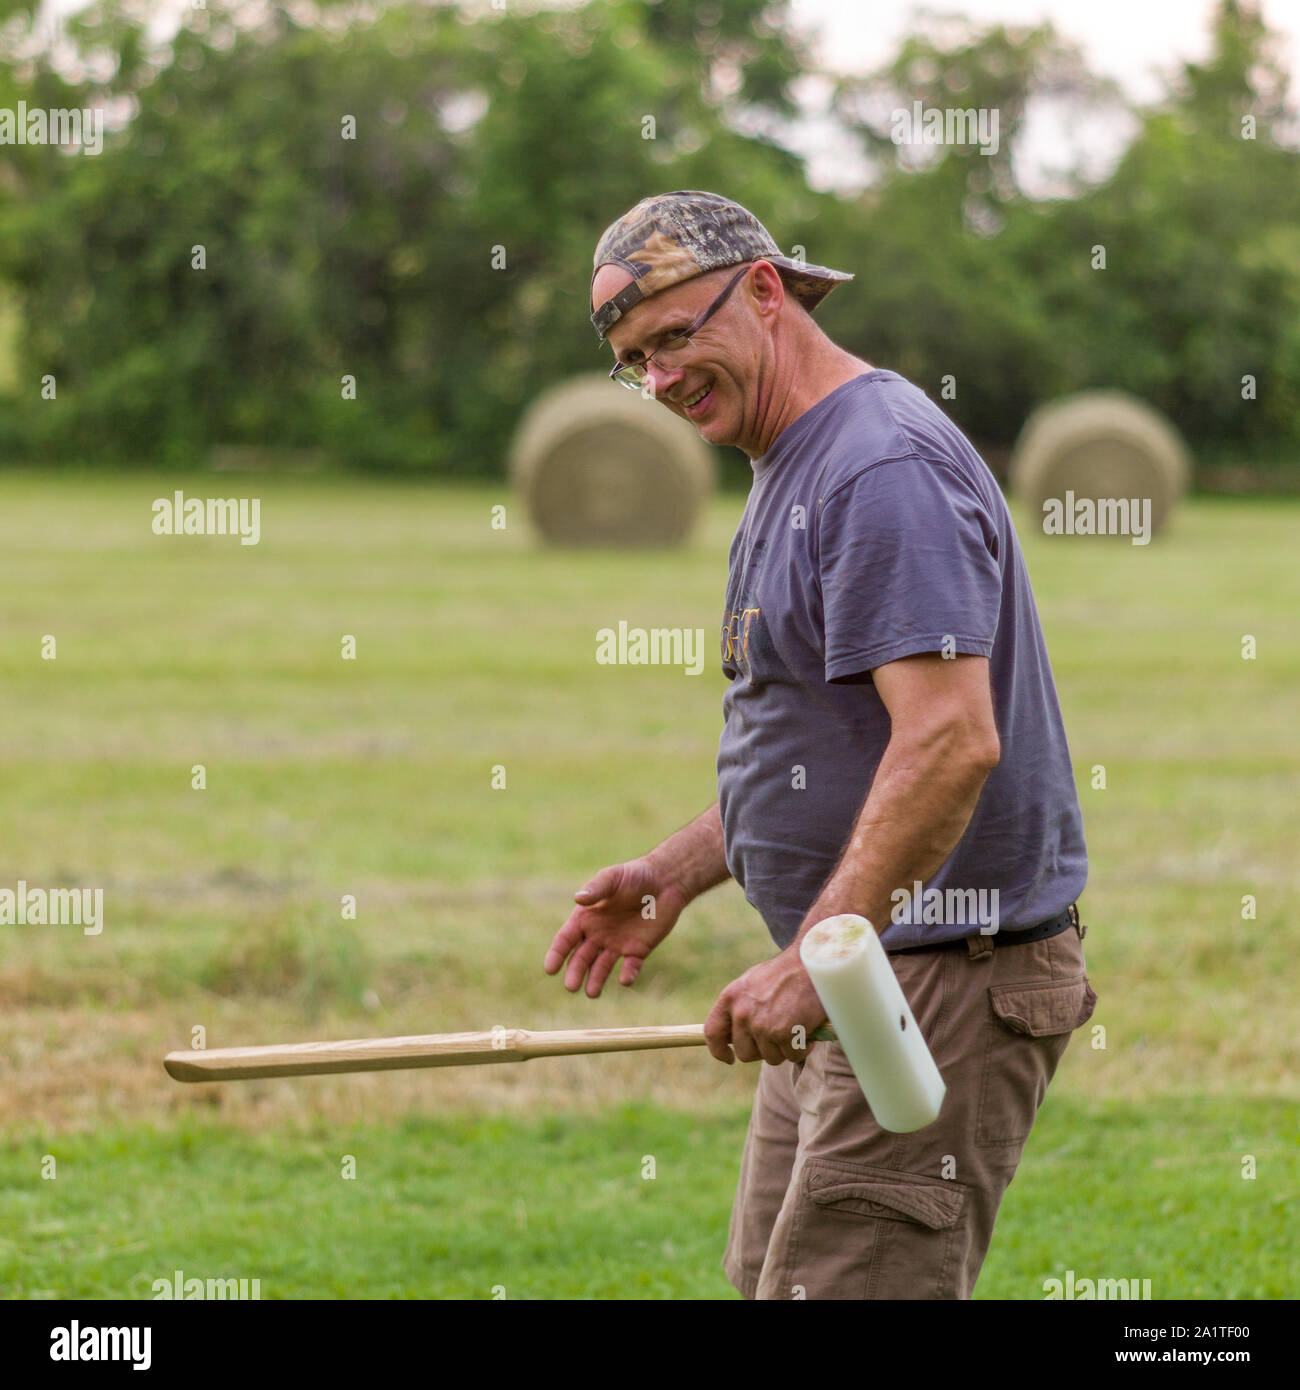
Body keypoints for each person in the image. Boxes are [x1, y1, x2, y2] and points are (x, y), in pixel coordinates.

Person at [544, 190, 1097, 1300]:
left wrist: (809, 958)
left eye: (671, 338)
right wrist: (681, 868)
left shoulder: (875, 468)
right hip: (863, 969)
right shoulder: (795, 458)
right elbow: (834, 740)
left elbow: (949, 741)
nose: (656, 381)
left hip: (931, 977)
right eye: (633, 362)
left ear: (761, 290)